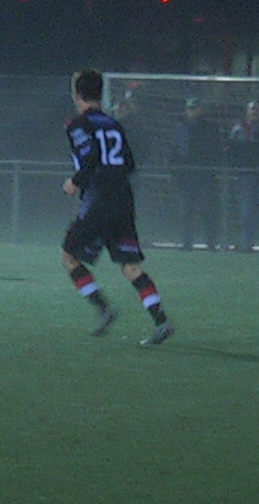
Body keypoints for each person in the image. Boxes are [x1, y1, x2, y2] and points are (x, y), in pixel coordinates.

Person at [60, 70, 176, 345]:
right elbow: (130, 163)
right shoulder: (114, 124)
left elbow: (90, 157)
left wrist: (75, 181)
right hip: (123, 198)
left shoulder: (77, 125)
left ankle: (104, 309)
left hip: (98, 198)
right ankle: (161, 321)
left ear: (77, 94)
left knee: (69, 255)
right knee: (130, 265)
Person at [167, 99, 222, 250]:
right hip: (185, 175)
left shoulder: (210, 128)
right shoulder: (180, 127)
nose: (191, 111)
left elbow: (214, 149)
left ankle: (210, 242)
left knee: (207, 210)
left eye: (194, 108)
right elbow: (175, 149)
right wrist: (174, 169)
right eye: (189, 108)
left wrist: (211, 168)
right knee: (185, 211)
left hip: (204, 174)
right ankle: (186, 242)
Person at [226, 100, 259, 251]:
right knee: (246, 212)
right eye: (252, 109)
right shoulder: (239, 128)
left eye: (257, 109)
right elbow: (231, 149)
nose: (254, 112)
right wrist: (236, 167)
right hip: (246, 175)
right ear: (247, 112)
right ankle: (247, 243)